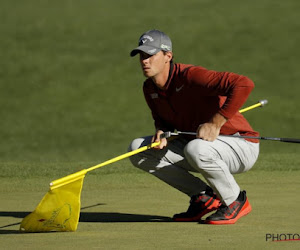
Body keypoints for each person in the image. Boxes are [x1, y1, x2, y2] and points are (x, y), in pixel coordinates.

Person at [128, 29, 259, 225]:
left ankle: (235, 200)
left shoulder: (191, 76)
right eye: (141, 56)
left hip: (241, 144)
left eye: (150, 55)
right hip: (200, 148)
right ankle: (203, 197)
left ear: (168, 56)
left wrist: (216, 122)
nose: (144, 61)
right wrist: (162, 133)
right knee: (137, 149)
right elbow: (162, 120)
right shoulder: (149, 88)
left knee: (195, 148)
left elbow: (243, 84)